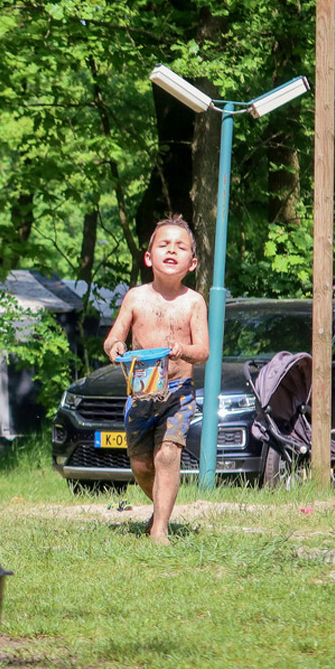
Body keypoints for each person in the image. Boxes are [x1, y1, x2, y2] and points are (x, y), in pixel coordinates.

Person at [103, 215, 209, 544]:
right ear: (149, 257)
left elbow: (203, 350)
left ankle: (160, 528)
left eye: (181, 247)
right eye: (164, 245)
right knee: (141, 465)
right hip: (140, 393)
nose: (171, 251)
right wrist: (116, 347)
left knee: (166, 455)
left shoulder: (194, 302)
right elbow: (112, 339)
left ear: (192, 262)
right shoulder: (135, 297)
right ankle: (161, 509)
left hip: (178, 392)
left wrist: (182, 349)